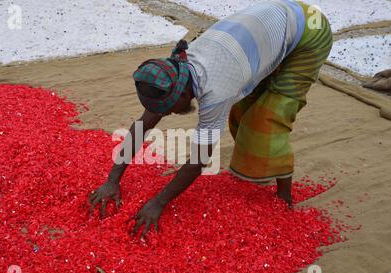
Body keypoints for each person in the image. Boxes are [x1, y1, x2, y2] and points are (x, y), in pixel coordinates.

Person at [88, 0, 333, 238]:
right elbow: (143, 124)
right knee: (243, 109)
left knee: (265, 120)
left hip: (309, 32)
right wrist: (112, 180)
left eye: (170, 109)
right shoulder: (176, 69)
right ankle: (262, 165)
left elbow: (200, 159)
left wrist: (158, 203)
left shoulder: (215, 91)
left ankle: (284, 200)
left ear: (183, 93)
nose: (168, 114)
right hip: (274, 20)